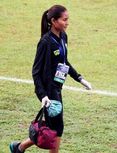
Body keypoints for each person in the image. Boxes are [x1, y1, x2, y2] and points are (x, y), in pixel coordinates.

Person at [9, 5, 92, 153]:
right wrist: (43, 95)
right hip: (48, 91)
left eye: (68, 19)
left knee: (51, 127)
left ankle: (19, 147)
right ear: (54, 21)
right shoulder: (45, 42)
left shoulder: (63, 36)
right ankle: (19, 147)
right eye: (64, 20)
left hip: (57, 87)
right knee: (57, 127)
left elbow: (64, 62)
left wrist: (79, 78)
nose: (67, 23)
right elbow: (36, 72)